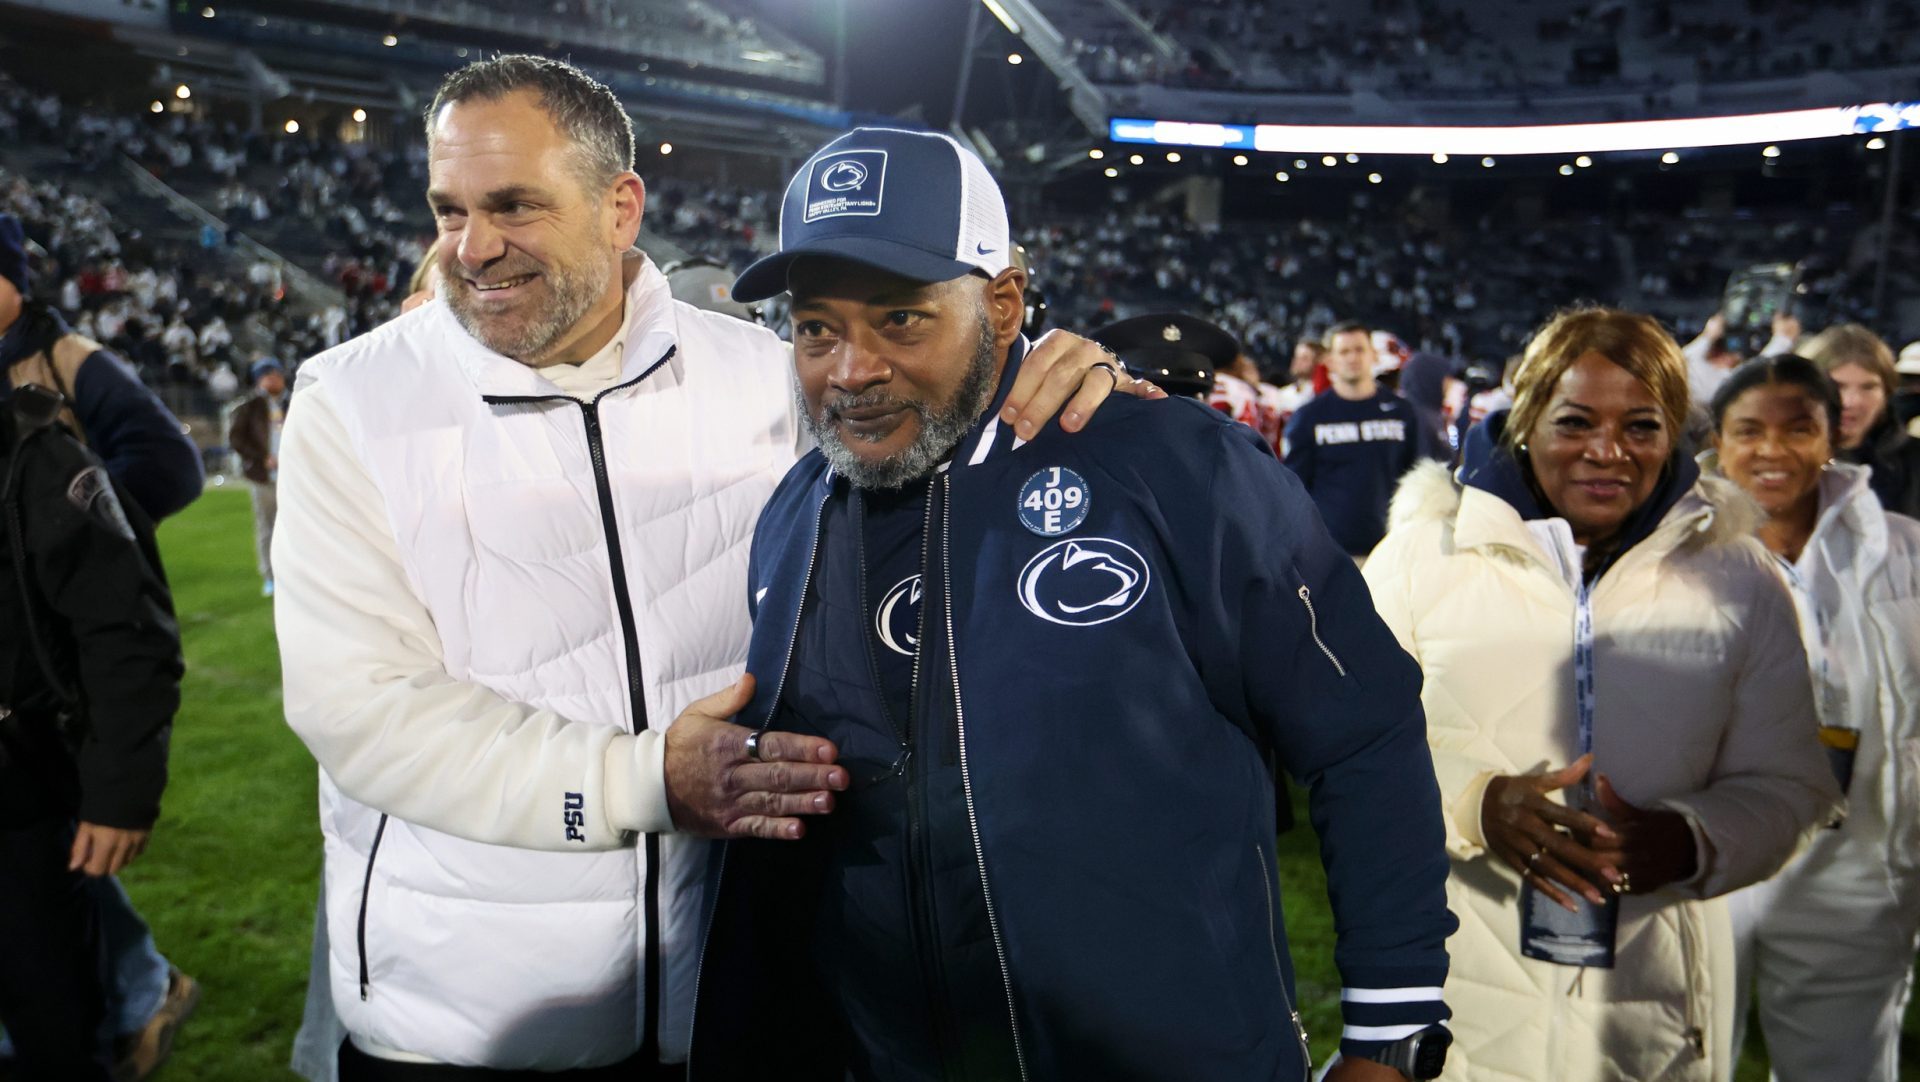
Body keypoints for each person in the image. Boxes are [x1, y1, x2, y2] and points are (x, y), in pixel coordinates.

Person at [272, 56, 1138, 1079]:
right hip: (469, 1014)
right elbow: (361, 708)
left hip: (738, 992)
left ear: (620, 206)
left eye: (514, 205)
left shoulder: (763, 376)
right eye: (448, 208)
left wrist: (1046, 373)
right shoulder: (352, 401)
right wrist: (645, 779)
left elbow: (942, 468)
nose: (472, 246)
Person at [689, 126, 1457, 1082]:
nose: (851, 369)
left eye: (901, 320)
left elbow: (1362, 732)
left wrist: (1391, 1033)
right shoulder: (795, 517)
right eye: (817, 328)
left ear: (1004, 304)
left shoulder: (1172, 465)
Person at [1361, 306, 1840, 1082]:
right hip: (1458, 986)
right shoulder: (1419, 559)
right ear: (1526, 418)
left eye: (1643, 426)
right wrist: (1477, 805)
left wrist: (1689, 840)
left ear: (1677, 432)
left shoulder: (1740, 578)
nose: (1608, 452)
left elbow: (1792, 785)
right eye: (1576, 421)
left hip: (1655, 1003)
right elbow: (1348, 757)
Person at [0, 214, 201, 1082]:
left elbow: (171, 462)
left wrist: (80, 526)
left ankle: (141, 992)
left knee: (54, 882)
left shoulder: (67, 358)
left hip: (57, 672)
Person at [1705, 355, 1920, 1082]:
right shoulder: (1667, 553)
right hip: (1703, 855)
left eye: (1799, 429)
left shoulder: (1902, 549)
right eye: (1749, 431)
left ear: (1833, 436)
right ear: (1718, 441)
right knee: (1674, 1059)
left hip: (1853, 860)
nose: (1772, 450)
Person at [1283, 320, 1429, 560]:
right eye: (1344, 351)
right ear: (1329, 360)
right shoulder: (1309, 417)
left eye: (1359, 349)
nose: (1353, 358)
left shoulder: (1402, 413)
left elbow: (1416, 476)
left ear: (1373, 354)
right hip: (1331, 554)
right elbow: (1295, 488)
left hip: (1391, 549)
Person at [1800, 323, 1920, 518]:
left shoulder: (1914, 461)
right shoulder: (1781, 459)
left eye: (1868, 387)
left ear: (1886, 392)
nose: (1852, 401)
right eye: (1838, 386)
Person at [228, 358, 288, 597]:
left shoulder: (295, 401)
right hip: (264, 475)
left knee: (298, 525)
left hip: (293, 474)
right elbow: (236, 439)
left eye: (275, 374)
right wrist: (261, 457)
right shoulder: (250, 406)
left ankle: (298, 574)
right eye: (266, 375)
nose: (272, 378)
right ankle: (270, 576)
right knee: (267, 527)